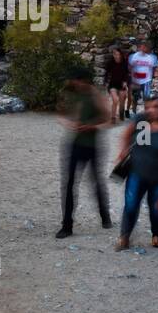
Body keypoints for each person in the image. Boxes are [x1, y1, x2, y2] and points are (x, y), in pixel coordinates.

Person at [114, 96, 158, 251]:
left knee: (156, 206)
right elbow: (126, 134)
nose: (155, 110)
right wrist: (123, 151)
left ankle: (156, 234)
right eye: (151, 107)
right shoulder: (140, 120)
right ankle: (124, 236)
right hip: (136, 172)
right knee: (131, 205)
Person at [57, 63, 111, 238]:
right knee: (69, 184)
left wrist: (91, 126)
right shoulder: (70, 93)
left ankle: (105, 216)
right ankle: (66, 225)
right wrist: (69, 123)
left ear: (86, 80)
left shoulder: (95, 95)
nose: (77, 83)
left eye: (79, 80)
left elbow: (108, 119)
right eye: (75, 80)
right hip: (74, 143)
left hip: (92, 145)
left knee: (96, 183)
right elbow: (61, 114)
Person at [104, 46, 130, 122]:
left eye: (118, 54)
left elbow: (126, 73)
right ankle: (113, 117)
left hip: (122, 84)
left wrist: (125, 81)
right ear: (113, 55)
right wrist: (105, 82)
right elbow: (106, 73)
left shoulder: (124, 62)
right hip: (112, 84)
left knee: (122, 101)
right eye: (115, 54)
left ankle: (121, 113)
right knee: (115, 100)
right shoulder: (110, 63)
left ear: (120, 54)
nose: (117, 56)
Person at [127, 41, 157, 107]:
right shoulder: (132, 56)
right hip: (136, 80)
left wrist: (152, 77)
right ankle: (134, 111)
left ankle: (147, 113)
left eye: (144, 47)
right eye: (141, 47)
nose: (143, 49)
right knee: (135, 97)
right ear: (138, 48)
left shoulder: (152, 57)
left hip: (147, 80)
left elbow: (154, 68)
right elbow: (129, 67)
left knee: (146, 97)